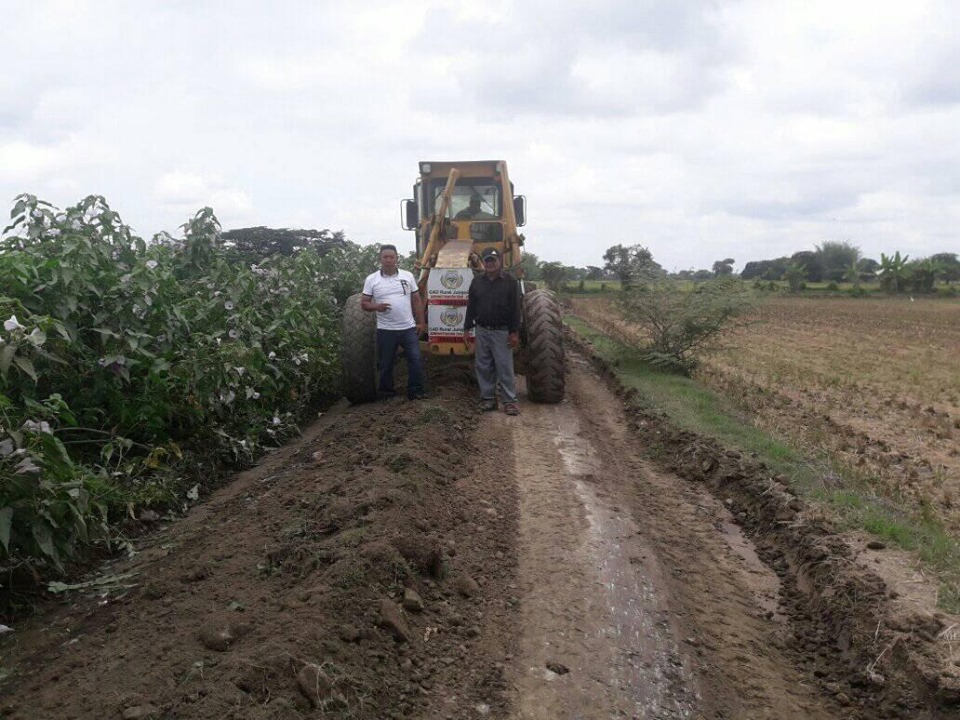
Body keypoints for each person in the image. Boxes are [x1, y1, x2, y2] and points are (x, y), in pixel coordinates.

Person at [361, 244, 427, 400]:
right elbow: (364, 303)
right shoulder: (372, 279)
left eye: (392, 257)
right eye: (385, 257)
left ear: (397, 259)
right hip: (386, 330)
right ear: (380, 259)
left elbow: (416, 300)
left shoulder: (407, 276)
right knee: (386, 363)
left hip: (408, 328)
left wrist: (421, 322)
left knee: (415, 359)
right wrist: (377, 306)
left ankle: (415, 391)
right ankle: (386, 393)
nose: (388, 260)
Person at [462, 248, 521, 415]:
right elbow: (471, 306)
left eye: (493, 260)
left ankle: (509, 401)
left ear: (500, 261)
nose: (490, 264)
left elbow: (516, 309)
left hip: (502, 332)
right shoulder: (477, 282)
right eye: (487, 260)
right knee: (483, 366)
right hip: (482, 330)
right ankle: (488, 399)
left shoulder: (510, 282)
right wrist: (467, 328)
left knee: (504, 366)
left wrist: (514, 332)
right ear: (483, 262)